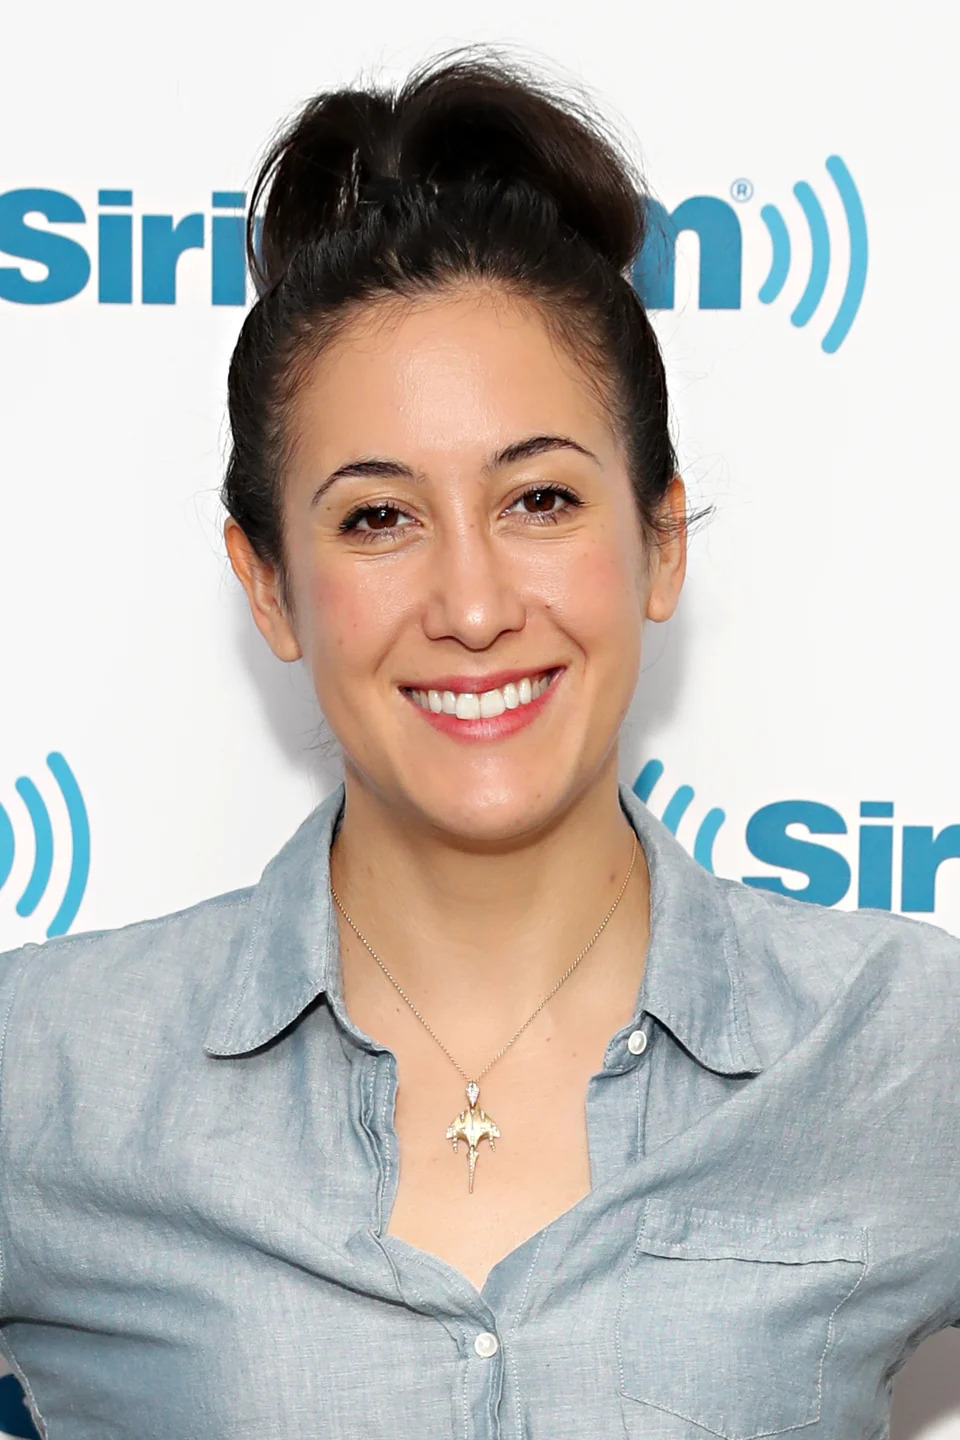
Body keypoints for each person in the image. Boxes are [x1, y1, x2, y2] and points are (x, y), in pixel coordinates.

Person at [0, 48, 958, 1440]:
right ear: (269, 585)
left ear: (660, 539)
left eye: (542, 500)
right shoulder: (49, 1073)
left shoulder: (898, 1046)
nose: (471, 606)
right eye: (377, 518)